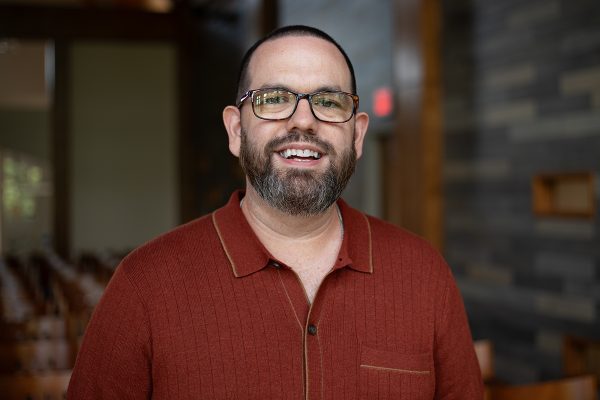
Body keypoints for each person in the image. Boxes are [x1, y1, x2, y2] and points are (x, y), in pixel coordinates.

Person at [67, 25, 483, 399]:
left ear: (357, 135)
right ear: (235, 130)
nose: (303, 121)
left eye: (329, 101)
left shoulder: (424, 274)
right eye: (273, 99)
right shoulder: (144, 285)